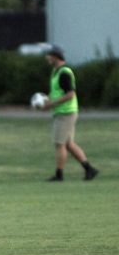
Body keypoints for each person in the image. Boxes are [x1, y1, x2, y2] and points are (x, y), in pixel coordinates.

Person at [41, 45, 99, 181]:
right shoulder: (55, 71)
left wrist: (52, 104)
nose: (47, 57)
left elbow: (70, 94)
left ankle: (59, 175)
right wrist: (47, 102)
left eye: (48, 55)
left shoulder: (64, 72)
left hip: (66, 113)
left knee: (59, 144)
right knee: (68, 144)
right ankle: (89, 169)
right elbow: (55, 91)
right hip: (62, 112)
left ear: (55, 56)